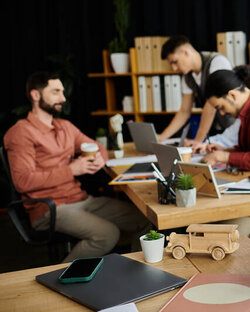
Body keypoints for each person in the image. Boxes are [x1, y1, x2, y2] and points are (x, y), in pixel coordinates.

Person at [4, 72, 149, 262]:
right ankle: (58, 280)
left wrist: (99, 158)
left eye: (63, 92)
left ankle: (136, 273)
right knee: (107, 234)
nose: (63, 98)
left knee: (145, 220)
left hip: (82, 200)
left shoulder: (64, 126)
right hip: (50, 208)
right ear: (35, 95)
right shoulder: (21, 133)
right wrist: (71, 170)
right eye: (56, 92)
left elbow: (99, 148)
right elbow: (23, 181)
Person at [158, 35, 238, 148]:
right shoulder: (187, 76)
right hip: (216, 134)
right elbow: (184, 111)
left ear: (186, 52)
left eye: (175, 62)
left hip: (233, 132)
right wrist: (161, 138)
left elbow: (210, 106)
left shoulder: (216, 62)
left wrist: (197, 141)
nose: (174, 68)